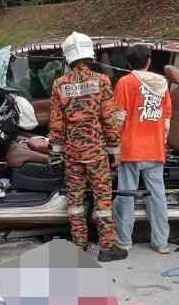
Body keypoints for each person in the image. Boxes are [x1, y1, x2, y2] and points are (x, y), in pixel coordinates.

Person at [48, 32, 128, 263]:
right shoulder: (101, 81)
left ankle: (79, 245)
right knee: (102, 201)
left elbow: (56, 123)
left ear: (68, 58)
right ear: (89, 54)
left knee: (75, 202)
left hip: (73, 154)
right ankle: (107, 247)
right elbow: (108, 120)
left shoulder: (59, 85)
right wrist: (115, 150)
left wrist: (55, 153)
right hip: (96, 153)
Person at [112, 44, 172, 255]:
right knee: (157, 196)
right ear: (148, 60)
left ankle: (124, 241)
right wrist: (161, 143)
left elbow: (118, 118)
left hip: (131, 150)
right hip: (155, 149)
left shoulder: (125, 82)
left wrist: (114, 147)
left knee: (126, 196)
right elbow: (166, 119)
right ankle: (161, 242)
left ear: (129, 62)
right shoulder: (162, 83)